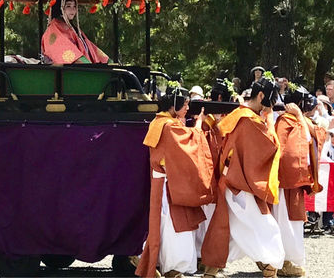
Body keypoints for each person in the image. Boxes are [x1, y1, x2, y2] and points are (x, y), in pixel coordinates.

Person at [201, 77, 284, 278]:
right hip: (241, 183)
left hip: (233, 180)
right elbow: (272, 146)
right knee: (264, 225)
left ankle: (211, 271)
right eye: (270, 101)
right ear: (261, 95)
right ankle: (270, 265)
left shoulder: (239, 114)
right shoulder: (250, 121)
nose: (271, 107)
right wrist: (271, 120)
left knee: (229, 226)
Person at [136, 89, 215, 278]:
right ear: (173, 106)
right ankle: (173, 266)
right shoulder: (169, 126)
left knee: (165, 225)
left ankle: (153, 260)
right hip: (170, 182)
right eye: (185, 104)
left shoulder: (159, 122)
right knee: (176, 226)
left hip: (162, 180)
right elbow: (192, 143)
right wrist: (199, 122)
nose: (188, 107)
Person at [270, 90, 322, 276]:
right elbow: (292, 149)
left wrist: (300, 117)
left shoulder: (298, 121)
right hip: (286, 181)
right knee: (285, 221)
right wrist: (299, 117)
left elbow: (315, 137)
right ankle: (284, 262)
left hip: (292, 181)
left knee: (290, 222)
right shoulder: (285, 121)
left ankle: (285, 261)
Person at [41, 0, 109, 64]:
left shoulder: (72, 27)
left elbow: (90, 47)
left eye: (74, 6)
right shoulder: (53, 29)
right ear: (60, 7)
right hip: (66, 71)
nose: (72, 10)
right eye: (68, 6)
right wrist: (87, 64)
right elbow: (66, 50)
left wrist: (107, 61)